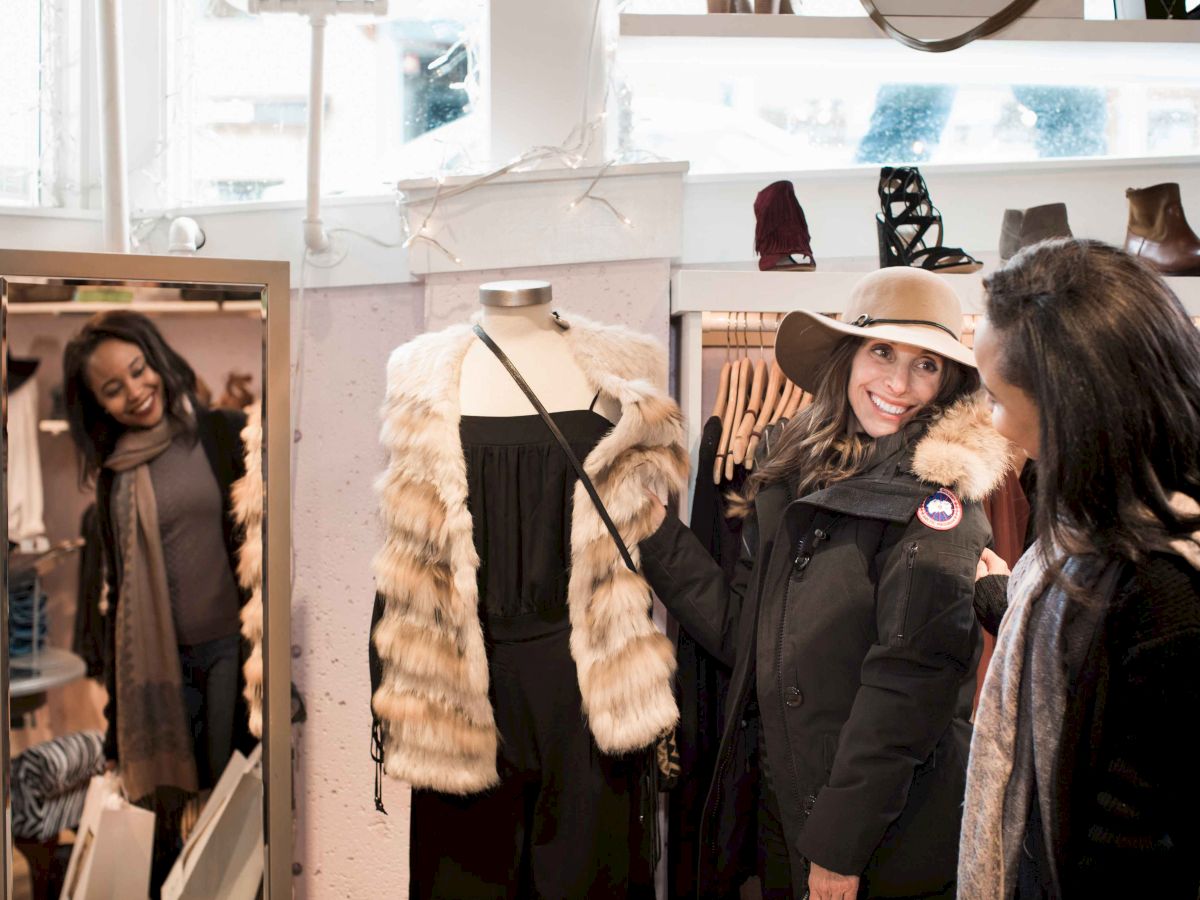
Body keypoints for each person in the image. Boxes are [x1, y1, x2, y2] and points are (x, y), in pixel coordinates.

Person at [639, 267, 1012, 899]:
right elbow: (748, 637)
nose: (898, 384)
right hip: (792, 815)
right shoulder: (797, 473)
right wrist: (655, 532)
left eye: (926, 365)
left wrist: (839, 852)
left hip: (882, 842)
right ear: (849, 356)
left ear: (949, 380)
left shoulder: (940, 502)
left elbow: (908, 691)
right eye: (883, 352)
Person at [959, 238, 1200, 899]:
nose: (992, 421)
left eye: (998, 398)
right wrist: (1003, 600)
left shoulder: (1167, 589)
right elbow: (1086, 661)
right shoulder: (1093, 526)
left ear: (1073, 412)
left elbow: (1131, 850)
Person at [62, 310, 253, 895]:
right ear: (97, 404)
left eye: (139, 371)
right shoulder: (113, 480)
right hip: (162, 670)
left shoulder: (223, 434)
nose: (135, 393)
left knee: (230, 813)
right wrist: (117, 732)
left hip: (231, 655)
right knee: (165, 822)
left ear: (157, 360)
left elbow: (262, 554)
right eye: (112, 389)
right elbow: (118, 605)